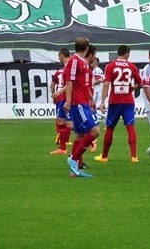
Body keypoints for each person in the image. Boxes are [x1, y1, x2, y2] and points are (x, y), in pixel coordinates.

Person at [94, 45, 143, 163]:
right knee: (130, 127)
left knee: (110, 127)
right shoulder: (132, 66)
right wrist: (131, 88)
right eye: (129, 54)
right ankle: (133, 156)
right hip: (128, 102)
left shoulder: (110, 66)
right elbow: (140, 83)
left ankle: (104, 156)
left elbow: (106, 84)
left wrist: (102, 102)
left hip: (115, 101)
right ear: (126, 54)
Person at [63, 37, 98, 178]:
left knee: (80, 134)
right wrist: (69, 100)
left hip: (84, 102)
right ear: (87, 47)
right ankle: (74, 158)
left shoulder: (82, 63)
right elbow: (69, 81)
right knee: (95, 131)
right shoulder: (74, 61)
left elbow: (83, 85)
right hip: (78, 103)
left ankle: (74, 171)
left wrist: (90, 99)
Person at [50, 48, 71, 155]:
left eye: (59, 55)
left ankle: (91, 140)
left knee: (71, 123)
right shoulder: (66, 67)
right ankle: (63, 148)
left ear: (62, 55)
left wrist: (58, 93)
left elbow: (70, 84)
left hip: (70, 97)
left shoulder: (70, 65)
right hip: (64, 97)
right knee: (61, 121)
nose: (58, 57)